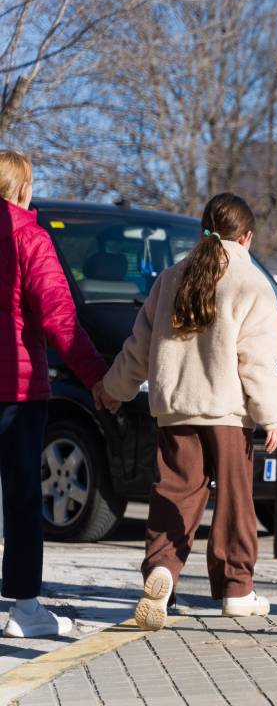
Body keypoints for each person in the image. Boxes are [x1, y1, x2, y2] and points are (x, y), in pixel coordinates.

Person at [99, 193, 277, 631]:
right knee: (235, 500)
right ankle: (237, 590)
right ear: (247, 237)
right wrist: (271, 414)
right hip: (227, 412)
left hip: (175, 409)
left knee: (175, 494)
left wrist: (113, 389)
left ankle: (162, 569)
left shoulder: (171, 277)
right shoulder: (250, 281)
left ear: (203, 229)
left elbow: (139, 348)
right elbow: (256, 360)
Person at [0, 149, 112, 638]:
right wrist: (97, 379)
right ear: (23, 189)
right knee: (22, 496)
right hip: (18, 391)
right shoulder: (29, 237)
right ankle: (24, 608)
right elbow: (59, 320)